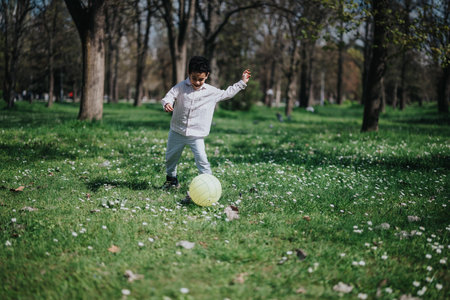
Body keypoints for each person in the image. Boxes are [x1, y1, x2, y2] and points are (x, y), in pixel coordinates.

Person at [161, 56, 251, 195]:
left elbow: (228, 93)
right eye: (194, 78)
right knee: (171, 157)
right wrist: (167, 103)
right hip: (177, 131)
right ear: (188, 73)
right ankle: (171, 179)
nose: (197, 82)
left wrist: (242, 82)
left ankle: (209, 185)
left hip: (196, 135)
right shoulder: (180, 87)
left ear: (207, 76)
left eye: (201, 79)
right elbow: (169, 96)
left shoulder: (211, 92)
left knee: (202, 160)